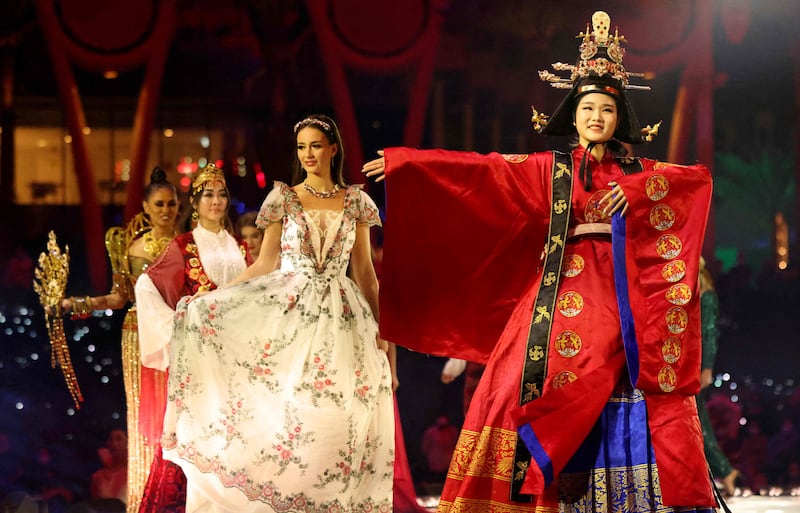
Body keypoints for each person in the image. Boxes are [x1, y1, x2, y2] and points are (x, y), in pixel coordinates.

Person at [363, 10, 716, 512]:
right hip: (555, 293)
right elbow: (482, 173)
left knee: (618, 366)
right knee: (513, 380)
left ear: (620, 119)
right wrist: (410, 163)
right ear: (572, 114)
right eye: (588, 108)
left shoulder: (639, 171)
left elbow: (695, 180)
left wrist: (633, 196)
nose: (597, 117)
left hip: (621, 293)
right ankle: (521, 492)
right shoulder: (549, 171)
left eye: (607, 110)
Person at [158, 114, 394, 513]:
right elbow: (265, 264)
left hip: (344, 319)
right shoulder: (283, 197)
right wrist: (213, 298)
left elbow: (366, 273)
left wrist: (386, 327)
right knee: (292, 418)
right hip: (291, 312)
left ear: (333, 149)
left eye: (316, 145)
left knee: (338, 420)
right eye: (302, 147)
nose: (308, 155)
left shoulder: (356, 201)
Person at [61, 167, 179, 513]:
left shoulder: (189, 244)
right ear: (145, 207)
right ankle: (150, 491)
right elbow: (117, 298)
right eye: (159, 203)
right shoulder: (132, 248)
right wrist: (76, 303)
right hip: (139, 334)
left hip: (182, 332)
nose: (166, 210)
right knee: (148, 416)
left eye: (172, 203)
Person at [135, 162, 250, 513]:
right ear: (195, 203)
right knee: (196, 432)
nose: (215, 201)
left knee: (235, 431)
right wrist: (183, 311)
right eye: (207, 195)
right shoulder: (183, 245)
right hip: (199, 356)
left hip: (235, 354)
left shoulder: (240, 246)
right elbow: (146, 285)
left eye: (221, 195)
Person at [696, 258, 739, 496]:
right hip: (693, 363)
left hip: (700, 366)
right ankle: (724, 470)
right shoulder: (698, 294)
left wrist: (707, 369)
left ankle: (721, 470)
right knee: (700, 420)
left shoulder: (707, 296)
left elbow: (710, 334)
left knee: (699, 421)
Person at [90, 429, 128, 504]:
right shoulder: (98, 476)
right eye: (110, 440)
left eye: (119, 439)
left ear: (129, 442)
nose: (114, 444)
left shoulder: (137, 474)